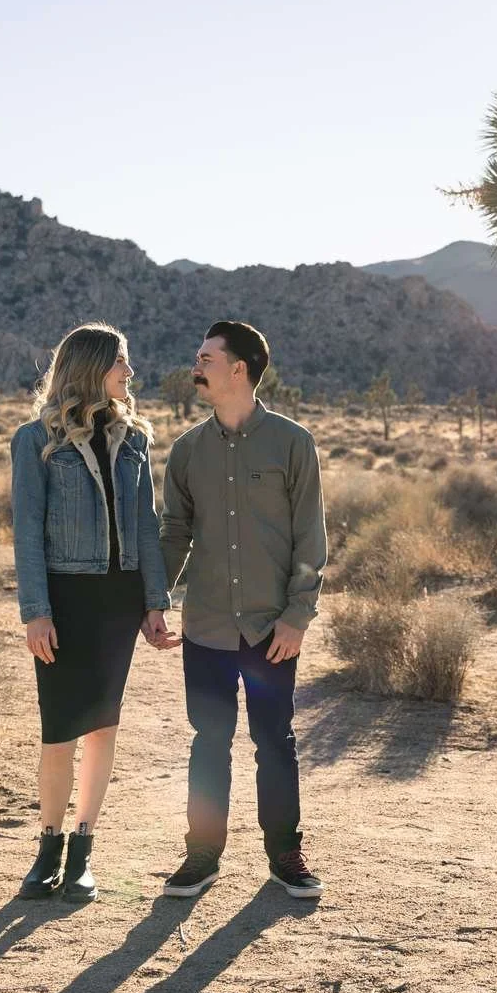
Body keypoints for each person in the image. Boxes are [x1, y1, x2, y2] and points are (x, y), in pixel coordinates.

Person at [150, 320, 326, 900]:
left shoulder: (292, 443)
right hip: (206, 624)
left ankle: (285, 855)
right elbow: (173, 532)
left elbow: (310, 537)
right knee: (209, 738)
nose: (195, 366)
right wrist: (156, 598)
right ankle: (202, 855)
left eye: (205, 357)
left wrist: (298, 615)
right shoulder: (187, 450)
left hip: (271, 626)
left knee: (274, 739)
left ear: (238, 370)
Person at [9, 323, 174, 902]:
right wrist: (36, 611)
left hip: (116, 599)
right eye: (121, 363)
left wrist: (155, 602)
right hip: (64, 597)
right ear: (92, 367)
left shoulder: (135, 441)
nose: (130, 374)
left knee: (103, 725)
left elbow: (147, 528)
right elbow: (27, 532)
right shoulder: (34, 441)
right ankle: (47, 847)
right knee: (59, 729)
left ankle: (83, 849)